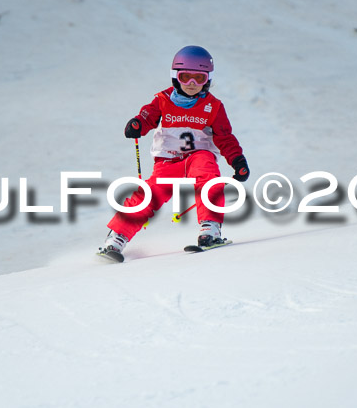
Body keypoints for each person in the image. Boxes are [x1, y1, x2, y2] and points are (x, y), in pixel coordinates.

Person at [98, 45, 249, 262]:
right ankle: (117, 237)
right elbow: (147, 116)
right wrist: (137, 124)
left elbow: (224, 137)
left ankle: (210, 229)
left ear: (208, 79)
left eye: (199, 78)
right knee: (150, 193)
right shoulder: (162, 100)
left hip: (198, 155)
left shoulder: (213, 106)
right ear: (175, 77)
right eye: (185, 77)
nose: (192, 84)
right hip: (167, 161)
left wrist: (237, 160)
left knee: (207, 173)